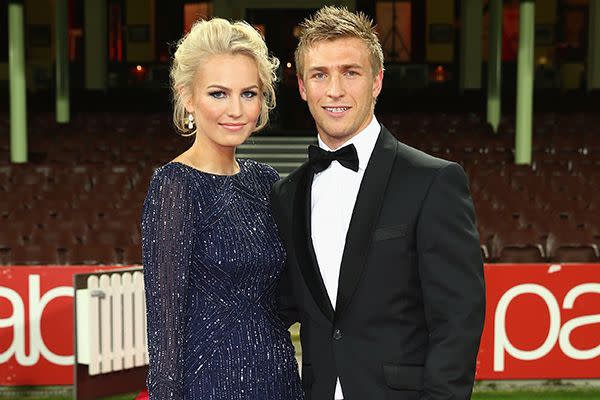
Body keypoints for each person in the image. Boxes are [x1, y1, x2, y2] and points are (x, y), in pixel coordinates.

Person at [271, 6, 486, 400]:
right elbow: (282, 308)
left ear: (377, 82)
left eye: (350, 72)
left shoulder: (434, 181)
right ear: (302, 86)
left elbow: (458, 321)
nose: (334, 90)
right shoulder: (288, 194)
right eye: (320, 74)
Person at [141, 18, 303, 400]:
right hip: (208, 384)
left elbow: (287, 294)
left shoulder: (265, 180)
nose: (235, 109)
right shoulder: (174, 186)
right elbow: (165, 325)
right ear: (187, 97)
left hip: (279, 377)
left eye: (248, 94)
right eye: (218, 93)